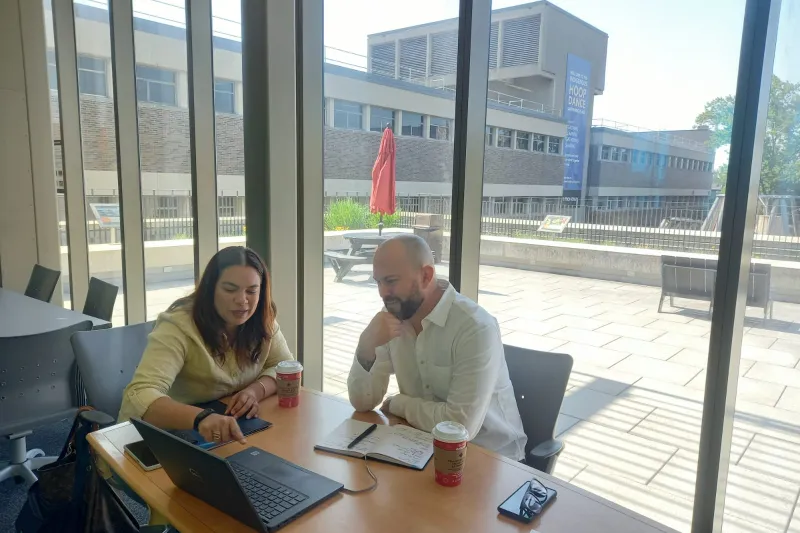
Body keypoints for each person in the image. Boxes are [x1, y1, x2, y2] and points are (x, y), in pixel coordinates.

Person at [348, 234, 527, 460]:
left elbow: (460, 427)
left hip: (491, 459)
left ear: (426, 275)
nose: (383, 292)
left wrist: (399, 403)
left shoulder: (475, 327)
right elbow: (362, 402)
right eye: (378, 282)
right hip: (421, 447)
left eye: (391, 281)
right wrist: (366, 346)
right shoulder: (390, 319)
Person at [118, 246, 294, 445]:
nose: (242, 300)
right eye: (230, 289)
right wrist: (200, 417)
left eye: (252, 291)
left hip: (230, 433)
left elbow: (286, 367)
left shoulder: (261, 318)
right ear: (211, 289)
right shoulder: (179, 325)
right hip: (169, 435)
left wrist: (255, 391)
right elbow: (139, 394)